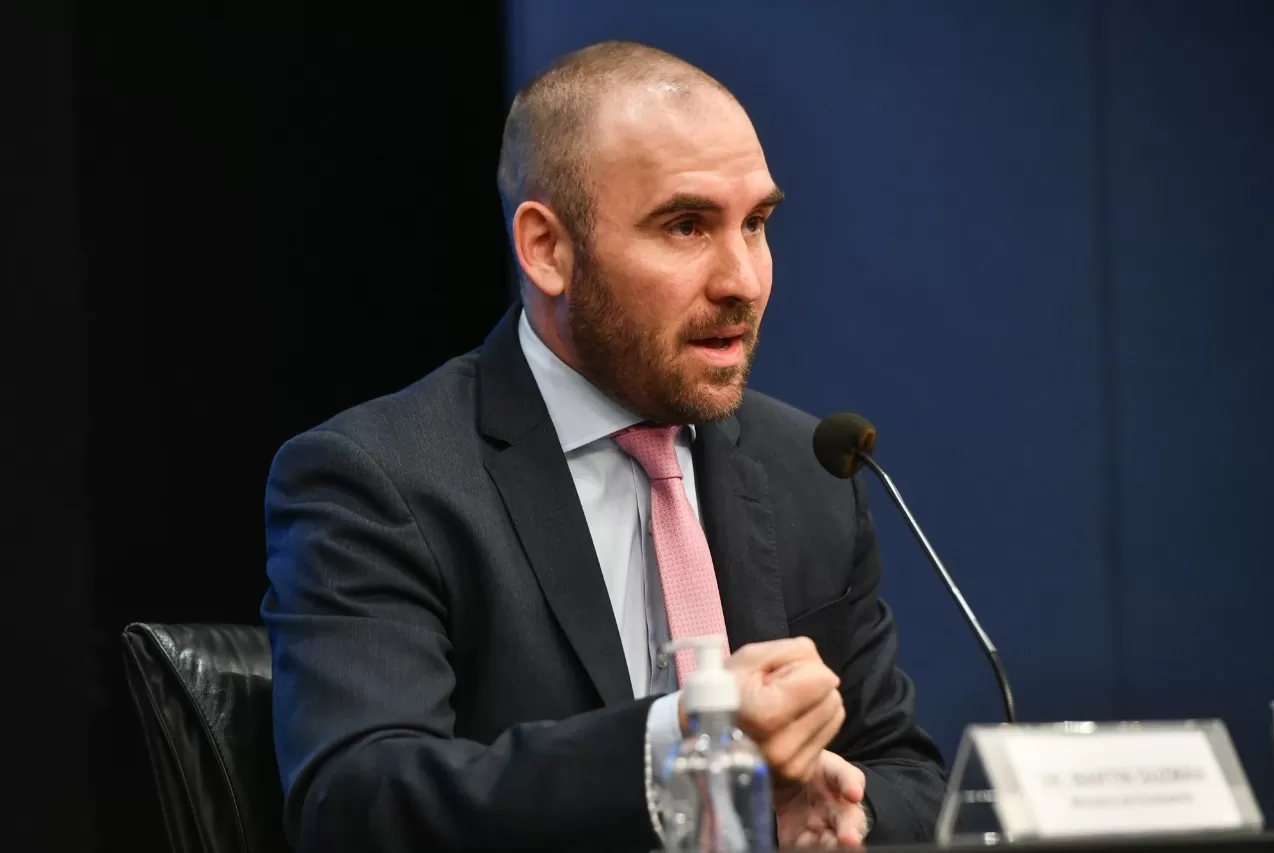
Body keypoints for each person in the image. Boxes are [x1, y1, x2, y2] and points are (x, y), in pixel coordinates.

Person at [263, 40, 947, 852]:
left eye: (757, 223)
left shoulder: (809, 470)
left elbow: (908, 772)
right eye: (686, 226)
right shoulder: (383, 480)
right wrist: (678, 746)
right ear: (547, 249)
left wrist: (846, 816)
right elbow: (358, 800)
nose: (743, 280)